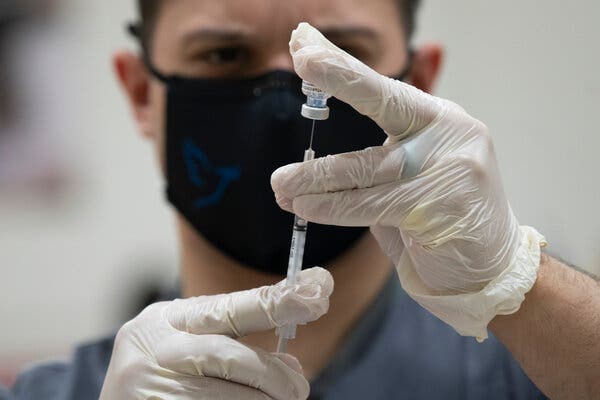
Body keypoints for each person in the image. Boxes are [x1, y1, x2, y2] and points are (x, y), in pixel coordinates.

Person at [3, 1, 600, 399]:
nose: (290, 99)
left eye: (343, 57)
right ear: (139, 92)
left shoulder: (536, 369)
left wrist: (519, 282)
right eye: (223, 56)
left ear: (416, 83)